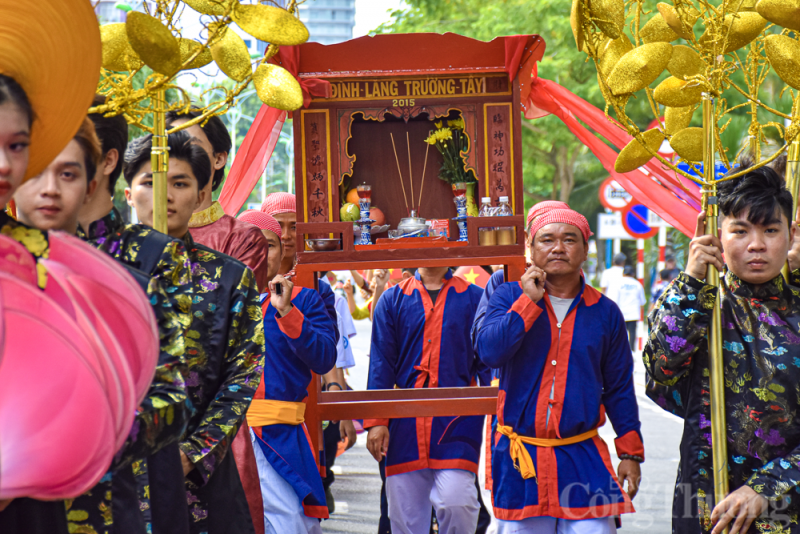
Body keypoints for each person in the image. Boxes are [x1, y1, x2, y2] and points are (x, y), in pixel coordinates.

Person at [12, 118, 193, 534]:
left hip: (99, 512)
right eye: (37, 170)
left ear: (91, 186)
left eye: (69, 174)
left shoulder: (132, 292)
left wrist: (82, 435)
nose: (51, 188)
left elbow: (169, 402)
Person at [644, 165, 800, 534]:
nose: (756, 244)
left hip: (786, 510)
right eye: (741, 231)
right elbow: (660, 370)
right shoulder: (701, 303)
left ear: (791, 234)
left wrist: (764, 488)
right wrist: (693, 280)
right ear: (718, 235)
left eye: (770, 230)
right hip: (705, 507)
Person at [124, 131, 265, 534]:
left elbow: (243, 374)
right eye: (151, 182)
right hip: (112, 478)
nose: (165, 195)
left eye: (180, 183)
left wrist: (192, 453)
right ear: (129, 192)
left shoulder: (229, 278)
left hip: (201, 480)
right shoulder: (98, 270)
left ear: (201, 195)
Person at [477, 208, 643, 533]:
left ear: (585, 248)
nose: (558, 248)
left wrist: (630, 452)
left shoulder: (605, 312)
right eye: (547, 239)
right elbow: (489, 353)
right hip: (520, 460)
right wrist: (527, 303)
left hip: (583, 458)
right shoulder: (508, 295)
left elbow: (620, 387)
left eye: (569, 240)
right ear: (530, 247)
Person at [366, 266, 485, 534]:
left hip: (457, 423)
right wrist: (376, 421)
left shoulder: (474, 297)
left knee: (458, 503)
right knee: (404, 516)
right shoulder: (392, 298)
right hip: (404, 423)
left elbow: (488, 364)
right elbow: (381, 363)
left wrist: (501, 417)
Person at [245, 211, 337, 533]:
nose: (257, 254)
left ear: (283, 252)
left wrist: (285, 311)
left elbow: (325, 358)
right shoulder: (215, 303)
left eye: (268, 246)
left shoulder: (305, 300)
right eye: (247, 243)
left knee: (291, 526)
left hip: (280, 437)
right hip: (228, 439)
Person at [167, 108, 270, 293]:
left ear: (219, 158)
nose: (177, 158)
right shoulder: (141, 235)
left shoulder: (244, 240)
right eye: (169, 148)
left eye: (190, 146)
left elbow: (234, 312)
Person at [606, 264, 645, 352]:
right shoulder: (637, 284)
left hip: (620, 313)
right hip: (633, 313)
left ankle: (619, 351)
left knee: (619, 334)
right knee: (632, 332)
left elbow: (613, 300)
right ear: (632, 274)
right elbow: (642, 301)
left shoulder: (617, 283)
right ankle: (632, 351)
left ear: (623, 274)